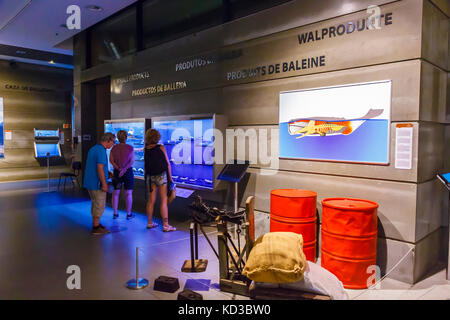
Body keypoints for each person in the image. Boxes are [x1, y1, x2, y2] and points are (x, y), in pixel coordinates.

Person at [83, 132, 116, 235]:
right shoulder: (101, 151)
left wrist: (107, 173)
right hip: (97, 184)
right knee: (99, 204)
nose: (113, 144)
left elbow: (96, 166)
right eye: (113, 142)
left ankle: (96, 224)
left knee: (95, 203)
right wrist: (104, 183)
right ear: (108, 140)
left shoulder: (93, 149)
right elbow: (100, 168)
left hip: (90, 182)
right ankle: (96, 228)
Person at [144, 129, 176, 232]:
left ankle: (149, 223)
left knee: (151, 201)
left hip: (150, 177)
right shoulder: (161, 147)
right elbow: (167, 163)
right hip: (161, 176)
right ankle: (166, 225)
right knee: (163, 200)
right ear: (157, 137)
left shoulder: (146, 149)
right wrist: (170, 178)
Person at [109, 130, 135, 220]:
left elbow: (111, 160)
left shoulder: (114, 148)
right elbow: (131, 161)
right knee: (128, 193)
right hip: (127, 172)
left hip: (117, 172)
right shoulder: (130, 148)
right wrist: (124, 169)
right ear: (126, 137)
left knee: (116, 192)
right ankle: (128, 214)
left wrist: (118, 168)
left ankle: (115, 213)